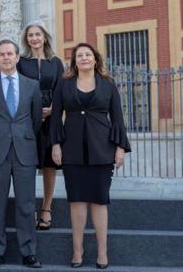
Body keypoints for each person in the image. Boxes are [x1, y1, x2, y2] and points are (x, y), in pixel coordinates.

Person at [50, 43, 130, 269]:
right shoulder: (64, 85)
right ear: (74, 61)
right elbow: (56, 117)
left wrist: (120, 148)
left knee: (99, 201)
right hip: (71, 150)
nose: (84, 58)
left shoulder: (108, 84)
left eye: (88, 55)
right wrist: (56, 145)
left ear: (95, 60)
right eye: (79, 55)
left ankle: (102, 254)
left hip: (102, 149)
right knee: (76, 201)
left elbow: (117, 118)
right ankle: (78, 252)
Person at [0, 39, 42, 268]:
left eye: (9, 54)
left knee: (26, 204)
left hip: (25, 150)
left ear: (17, 57)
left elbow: (36, 120)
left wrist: (21, 136)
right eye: (1, 54)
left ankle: (28, 252)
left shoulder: (32, 85)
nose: (6, 58)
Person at [17, 21, 64, 230]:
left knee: (49, 165)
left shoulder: (55, 63)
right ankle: (30, 209)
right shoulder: (21, 62)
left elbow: (62, 89)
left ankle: (46, 208)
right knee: (27, 165)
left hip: (51, 117)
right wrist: (33, 109)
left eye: (37, 34)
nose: (34, 38)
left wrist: (53, 108)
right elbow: (17, 90)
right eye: (30, 35)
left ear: (45, 37)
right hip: (27, 117)